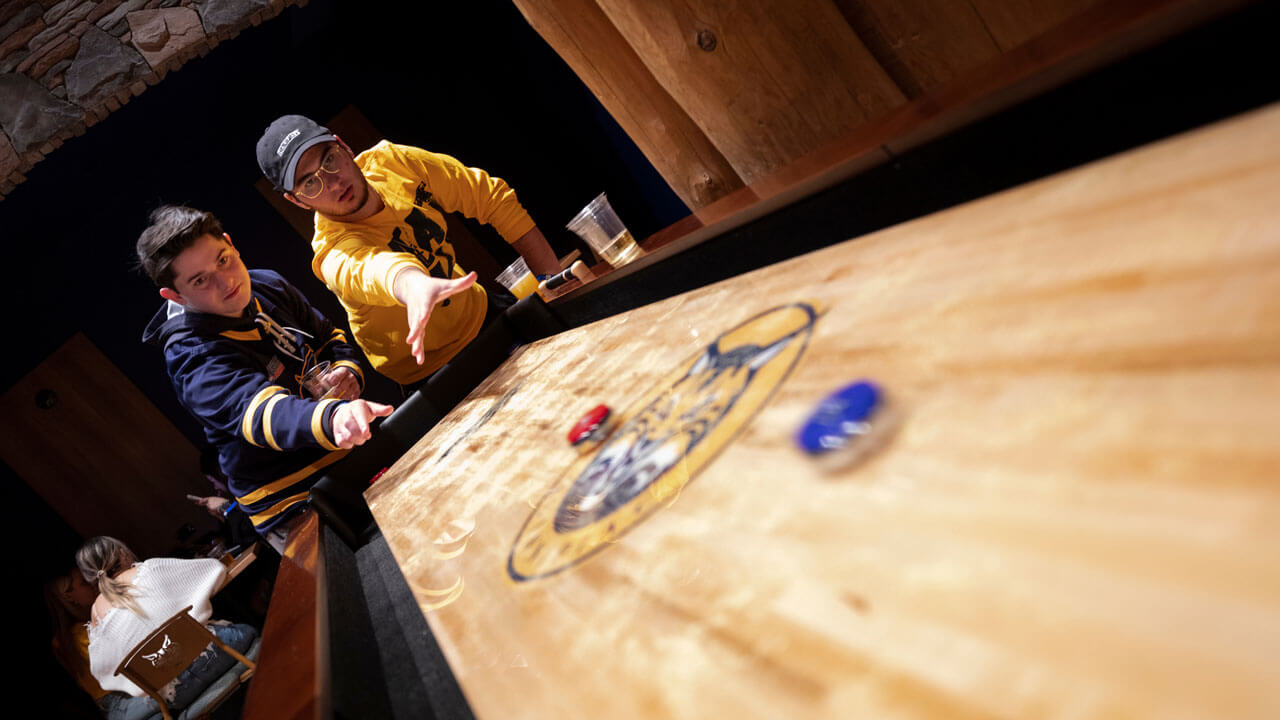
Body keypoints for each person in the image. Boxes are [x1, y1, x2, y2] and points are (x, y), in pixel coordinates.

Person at [138, 205, 393, 546]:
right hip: (293, 501)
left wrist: (348, 371)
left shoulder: (267, 284)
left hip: (353, 456)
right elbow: (265, 415)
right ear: (175, 296)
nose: (225, 280)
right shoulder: (190, 356)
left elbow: (330, 339)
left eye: (223, 259)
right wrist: (335, 417)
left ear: (231, 244)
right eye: (200, 280)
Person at [255, 114, 563, 386]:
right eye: (310, 183)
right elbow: (377, 270)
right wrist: (415, 286)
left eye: (329, 160)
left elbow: (490, 198)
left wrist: (554, 281)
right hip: (434, 374)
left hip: (481, 312)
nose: (333, 184)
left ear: (343, 145)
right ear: (296, 201)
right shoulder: (332, 253)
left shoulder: (392, 163)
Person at [76, 536, 256, 719]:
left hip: (178, 693)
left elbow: (103, 674)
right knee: (248, 628)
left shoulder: (96, 616)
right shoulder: (149, 569)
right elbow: (216, 569)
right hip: (219, 653)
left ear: (89, 577)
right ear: (122, 553)